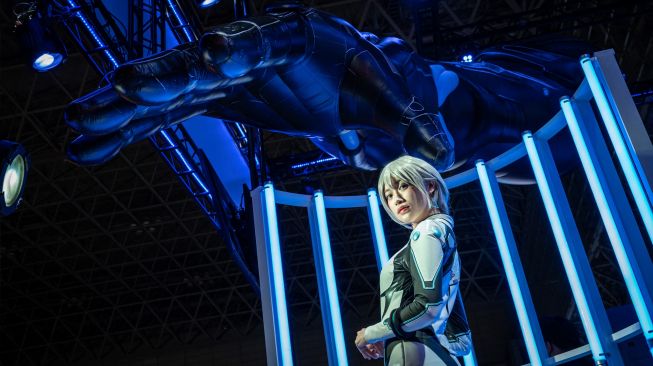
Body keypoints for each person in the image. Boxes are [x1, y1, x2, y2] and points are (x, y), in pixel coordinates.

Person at [355, 155, 471, 365]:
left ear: (430, 187)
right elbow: (461, 336)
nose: (396, 199)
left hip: (413, 352)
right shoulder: (442, 236)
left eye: (403, 185)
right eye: (389, 195)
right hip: (431, 353)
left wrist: (372, 333)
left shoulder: (426, 233)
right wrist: (391, 332)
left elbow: (428, 306)